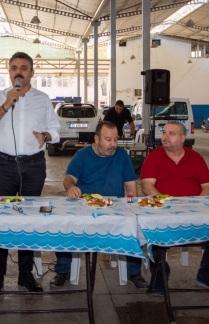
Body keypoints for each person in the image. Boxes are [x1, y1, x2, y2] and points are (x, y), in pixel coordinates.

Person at [0, 51, 61, 295]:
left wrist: (45, 135)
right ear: (9, 71)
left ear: (32, 73)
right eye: (14, 67)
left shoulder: (43, 99)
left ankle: (25, 274)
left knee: (30, 218)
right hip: (4, 166)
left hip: (34, 165)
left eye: (24, 67)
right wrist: (6, 104)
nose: (18, 71)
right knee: (0, 219)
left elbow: (55, 129)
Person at [51, 121, 147, 288]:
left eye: (115, 140)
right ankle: (63, 271)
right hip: (85, 208)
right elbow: (69, 178)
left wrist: (131, 204)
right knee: (64, 224)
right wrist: (71, 187)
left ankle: (134, 273)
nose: (113, 145)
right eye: (108, 140)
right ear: (96, 139)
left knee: (134, 225)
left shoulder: (122, 155)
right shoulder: (82, 155)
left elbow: (131, 185)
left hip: (114, 209)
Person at [141, 121, 209, 295]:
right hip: (164, 212)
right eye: (164, 132)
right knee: (151, 231)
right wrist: (166, 204)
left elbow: (208, 186)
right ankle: (160, 275)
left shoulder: (196, 158)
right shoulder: (154, 157)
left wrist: (197, 205)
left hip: (195, 211)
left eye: (171, 133)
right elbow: (147, 186)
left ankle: (206, 275)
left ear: (182, 137)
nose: (165, 136)